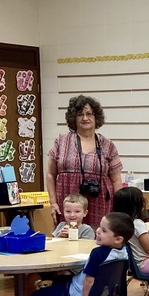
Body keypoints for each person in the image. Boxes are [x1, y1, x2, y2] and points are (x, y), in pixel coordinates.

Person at [13, 212, 135, 296]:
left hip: (80, 295)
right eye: (99, 227)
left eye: (104, 230)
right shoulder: (125, 251)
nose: (98, 231)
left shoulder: (98, 254)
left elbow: (89, 280)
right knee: (59, 279)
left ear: (118, 239)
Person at [46, 95, 123, 230]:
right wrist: (53, 203)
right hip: (68, 202)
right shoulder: (61, 141)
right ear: (73, 118)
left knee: (99, 236)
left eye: (89, 114)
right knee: (66, 235)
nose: (85, 118)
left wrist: (119, 210)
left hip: (100, 203)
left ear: (96, 117)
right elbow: (50, 175)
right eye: (80, 114)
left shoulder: (107, 145)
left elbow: (116, 180)